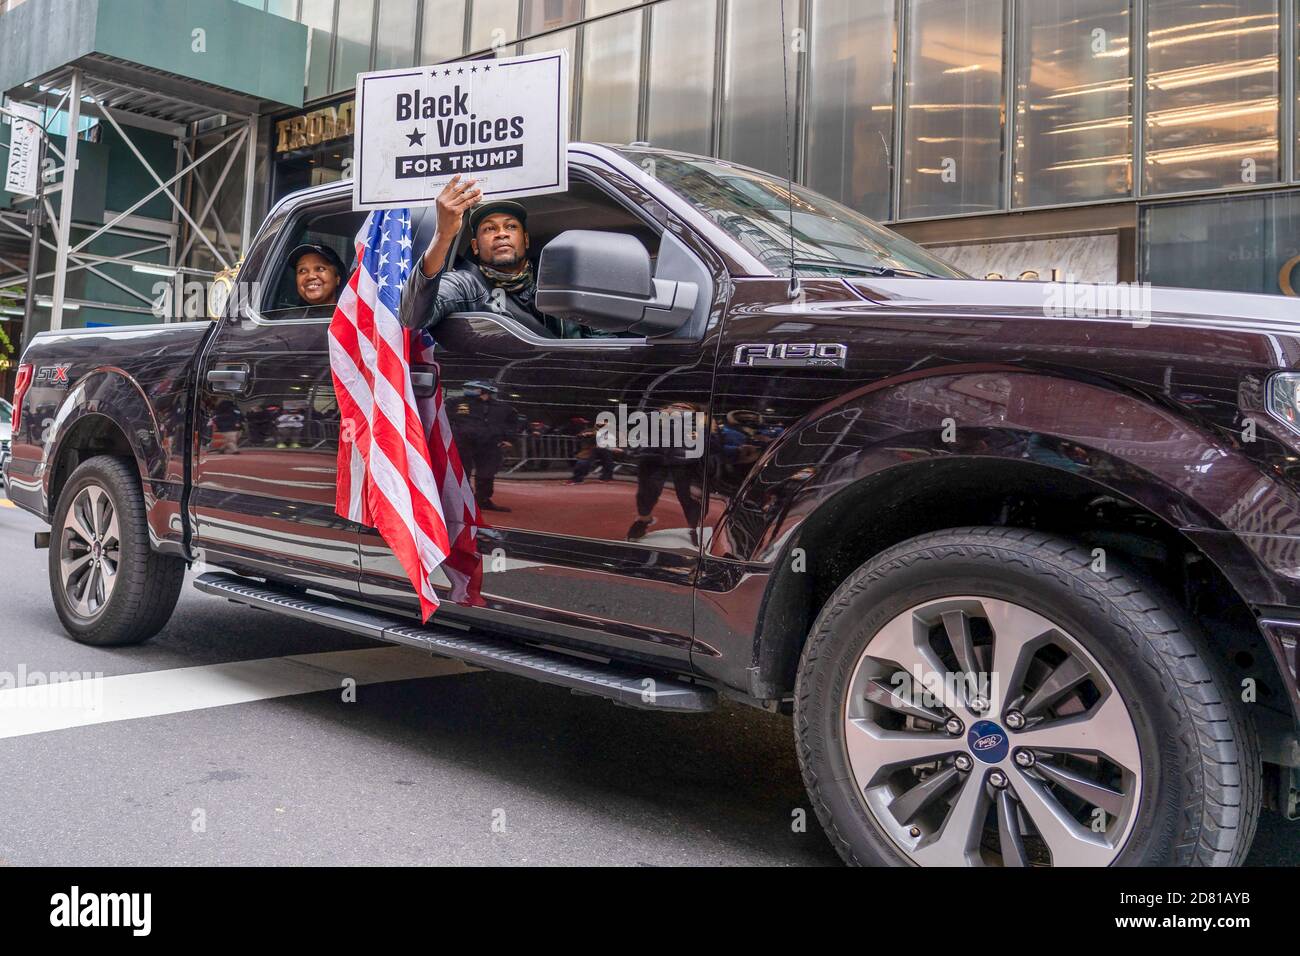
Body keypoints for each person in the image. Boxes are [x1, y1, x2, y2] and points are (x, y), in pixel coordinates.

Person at [397, 175, 598, 339]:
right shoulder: (467, 284)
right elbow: (412, 317)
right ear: (475, 246)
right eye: (489, 228)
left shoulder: (561, 282)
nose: (501, 233)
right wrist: (443, 235)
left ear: (525, 239)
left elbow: (601, 341)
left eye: (511, 226)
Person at [448, 381, 520, 512]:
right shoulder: (456, 402)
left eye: (473, 388)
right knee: (463, 472)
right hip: (463, 442)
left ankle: (482, 500)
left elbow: (513, 423)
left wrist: (509, 439)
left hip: (490, 443)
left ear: (485, 391)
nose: (468, 390)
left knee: (487, 473)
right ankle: (465, 502)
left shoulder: (502, 407)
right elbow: (444, 419)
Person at [287, 243, 346, 310]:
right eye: (302, 270)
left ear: (337, 278)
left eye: (320, 269)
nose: (311, 276)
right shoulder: (287, 319)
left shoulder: (353, 316)